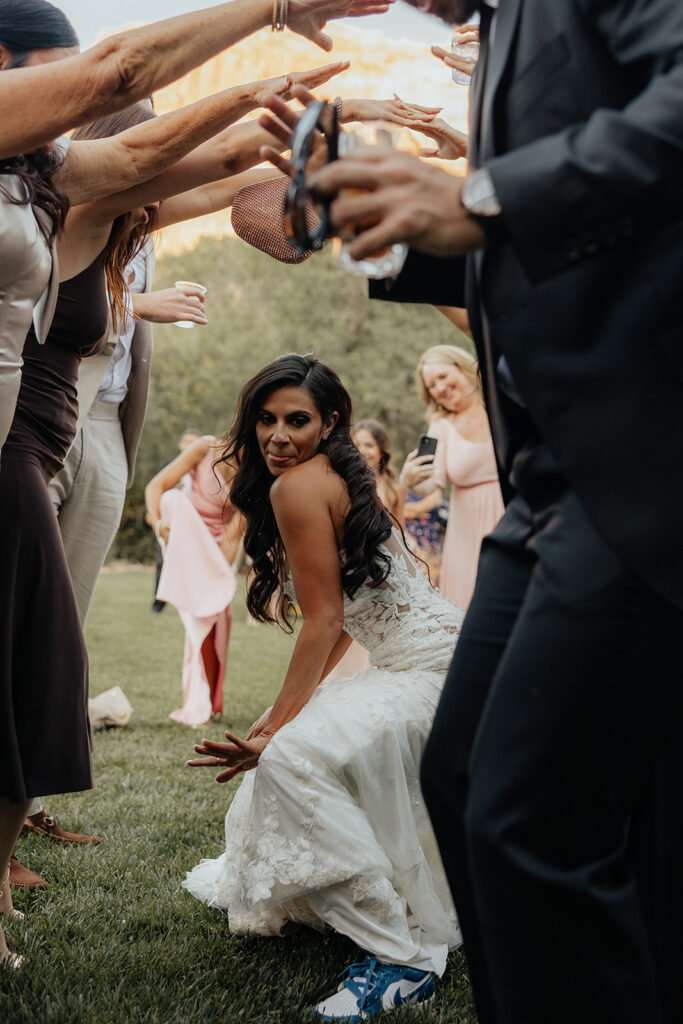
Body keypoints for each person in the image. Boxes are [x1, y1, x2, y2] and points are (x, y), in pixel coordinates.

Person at [291, 1, 683, 1022]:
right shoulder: (504, 24)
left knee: (529, 814)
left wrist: (482, 192)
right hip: (545, 475)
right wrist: (375, 224)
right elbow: (539, 233)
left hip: (640, 449)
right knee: (468, 779)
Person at [183, 354, 463, 1021]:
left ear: (329, 420)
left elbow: (327, 617)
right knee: (300, 748)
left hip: (431, 672)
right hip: (447, 665)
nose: (277, 435)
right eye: (265, 419)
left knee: (287, 760)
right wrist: (291, 712)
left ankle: (399, 956)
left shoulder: (299, 486)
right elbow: (343, 612)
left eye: (296, 420)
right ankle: (389, 908)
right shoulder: (335, 472)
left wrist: (274, 726)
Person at [0, 0, 392, 160]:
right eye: (55, 75)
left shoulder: (44, 171)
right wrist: (274, 8)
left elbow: (137, 156)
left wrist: (342, 111)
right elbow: (114, 73)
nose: (72, 107)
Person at [145, 435, 245, 727]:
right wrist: (157, 522)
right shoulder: (205, 448)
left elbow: (233, 537)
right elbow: (156, 486)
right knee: (171, 498)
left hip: (216, 549)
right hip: (184, 534)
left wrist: (213, 575)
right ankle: (195, 703)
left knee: (219, 616)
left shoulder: (256, 474)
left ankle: (212, 700)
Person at [401, 345, 503, 609]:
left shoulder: (500, 401)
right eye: (432, 385)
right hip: (467, 533)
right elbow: (430, 481)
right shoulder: (441, 426)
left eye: (443, 376)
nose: (440, 387)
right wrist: (410, 479)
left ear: (462, 366)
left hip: (515, 512)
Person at [152, 429, 203, 615]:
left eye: (195, 442)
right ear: (181, 444)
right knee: (162, 561)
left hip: (194, 524)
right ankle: (158, 603)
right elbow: (157, 487)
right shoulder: (170, 464)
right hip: (169, 521)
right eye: (187, 442)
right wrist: (154, 517)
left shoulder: (204, 468)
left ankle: (192, 603)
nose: (190, 446)